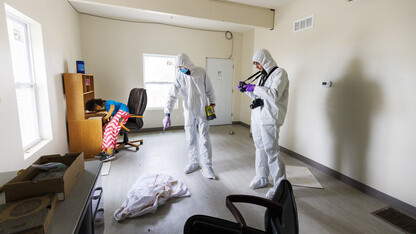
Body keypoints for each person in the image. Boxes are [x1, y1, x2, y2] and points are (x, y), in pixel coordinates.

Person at [238, 49, 289, 199]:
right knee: (259, 147)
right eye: (255, 64)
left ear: (265, 60)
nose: (257, 66)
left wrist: (254, 87)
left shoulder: (280, 73)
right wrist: (247, 90)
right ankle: (262, 177)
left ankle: (280, 185)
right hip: (258, 116)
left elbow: (273, 95)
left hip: (270, 117)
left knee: (271, 150)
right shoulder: (264, 76)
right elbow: (259, 95)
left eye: (258, 63)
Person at [163, 53, 217, 179]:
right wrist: (167, 113)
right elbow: (172, 95)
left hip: (203, 110)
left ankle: (207, 165)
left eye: (181, 66)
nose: (180, 69)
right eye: (178, 67)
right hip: (188, 111)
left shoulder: (201, 72)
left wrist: (212, 104)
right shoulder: (179, 76)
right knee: (190, 138)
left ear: (187, 64)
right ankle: (194, 162)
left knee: (204, 138)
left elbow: (210, 90)